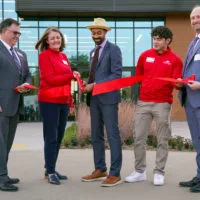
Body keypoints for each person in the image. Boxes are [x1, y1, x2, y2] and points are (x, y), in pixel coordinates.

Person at [125, 26, 183, 186]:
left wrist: (179, 84)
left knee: (162, 139)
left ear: (167, 40)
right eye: (154, 38)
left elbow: (177, 83)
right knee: (138, 137)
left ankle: (159, 172)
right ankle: (139, 171)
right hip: (143, 102)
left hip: (163, 104)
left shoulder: (175, 60)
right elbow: (138, 77)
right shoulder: (144, 56)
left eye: (159, 39)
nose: (155, 41)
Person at [81, 18, 123, 187]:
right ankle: (100, 169)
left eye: (99, 32)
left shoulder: (114, 49)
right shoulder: (93, 51)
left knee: (112, 134)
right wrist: (87, 84)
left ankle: (115, 173)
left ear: (105, 32)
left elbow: (116, 74)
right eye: (93, 32)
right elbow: (95, 74)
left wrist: (96, 85)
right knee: (96, 135)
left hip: (108, 98)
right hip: (94, 99)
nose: (95, 35)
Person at [35, 27, 76, 185]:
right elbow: (51, 79)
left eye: (58, 37)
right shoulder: (44, 56)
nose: (55, 40)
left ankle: (50, 168)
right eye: (52, 38)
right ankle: (50, 171)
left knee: (59, 137)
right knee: (50, 137)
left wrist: (70, 101)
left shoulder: (63, 56)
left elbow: (67, 81)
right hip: (49, 101)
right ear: (47, 41)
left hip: (62, 101)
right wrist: (70, 75)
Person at [0, 18, 31, 192]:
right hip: (1, 105)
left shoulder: (20, 54)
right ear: (4, 31)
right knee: (0, 142)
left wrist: (25, 85)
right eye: (15, 32)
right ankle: (1, 177)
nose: (17, 36)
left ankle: (3, 173)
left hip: (15, 103)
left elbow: (26, 75)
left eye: (19, 33)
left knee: (8, 142)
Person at [178, 5, 200, 193]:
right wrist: (182, 81)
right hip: (191, 100)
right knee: (198, 141)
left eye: (198, 17)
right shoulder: (193, 43)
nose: (195, 21)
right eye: (192, 18)